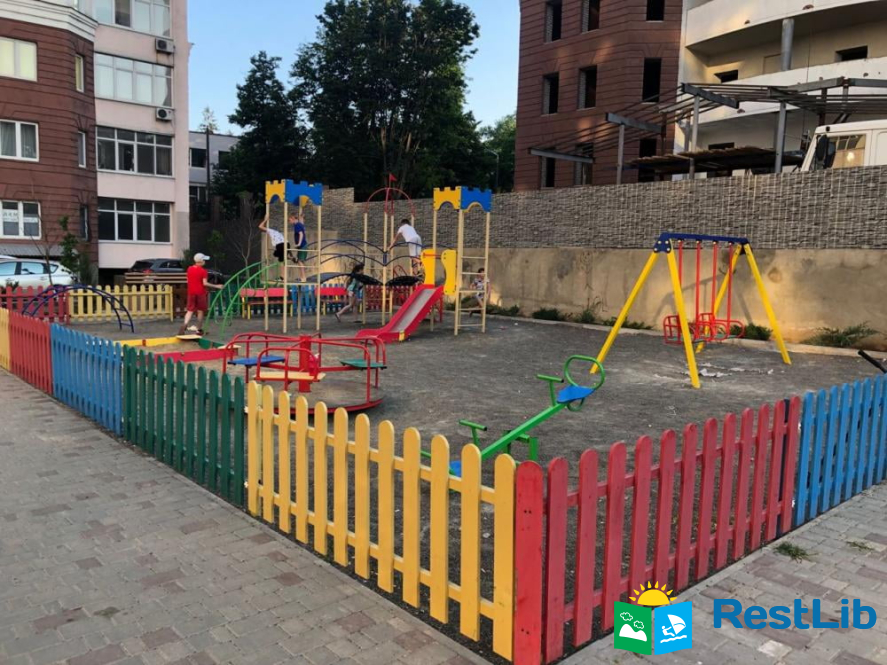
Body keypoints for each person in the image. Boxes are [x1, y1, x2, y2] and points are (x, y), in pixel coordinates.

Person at [179, 253, 222, 335]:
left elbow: (189, 280)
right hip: (200, 293)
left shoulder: (189, 269)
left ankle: (185, 324)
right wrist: (217, 286)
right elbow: (205, 283)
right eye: (204, 260)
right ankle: (198, 330)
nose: (205, 262)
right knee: (200, 311)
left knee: (190, 310)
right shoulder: (203, 271)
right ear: (201, 261)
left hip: (191, 292)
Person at [258, 215, 287, 280]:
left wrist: (265, 220)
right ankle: (289, 256)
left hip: (280, 245)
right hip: (286, 244)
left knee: (280, 260)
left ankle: (282, 277)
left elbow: (260, 226)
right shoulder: (278, 233)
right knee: (278, 256)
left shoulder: (271, 230)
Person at [291, 211, 309, 283]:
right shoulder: (299, 224)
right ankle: (302, 277)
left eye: (290, 220)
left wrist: (299, 243)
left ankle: (303, 278)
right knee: (300, 261)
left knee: (300, 261)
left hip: (302, 246)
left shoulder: (297, 225)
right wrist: (301, 217)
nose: (289, 221)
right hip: (302, 246)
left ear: (293, 218)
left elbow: (301, 234)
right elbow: (302, 223)